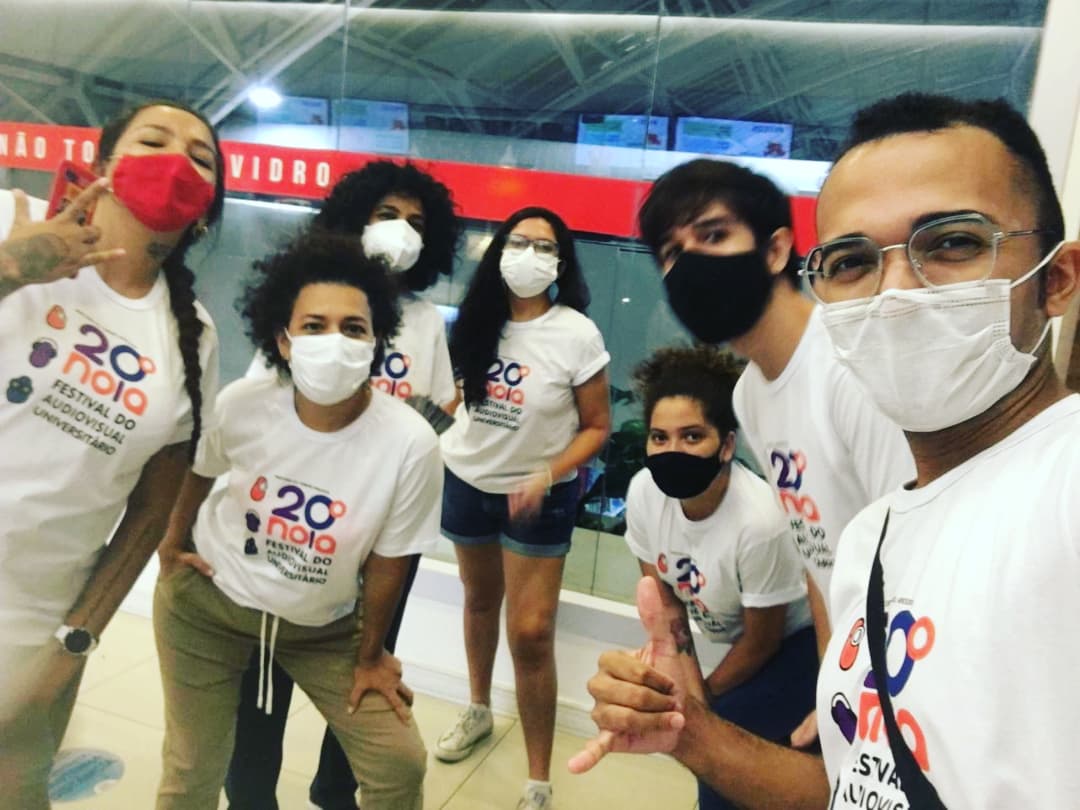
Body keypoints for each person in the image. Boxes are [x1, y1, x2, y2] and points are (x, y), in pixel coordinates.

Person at [570, 92, 1080, 809]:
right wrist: (838, 682)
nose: (895, 293)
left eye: (953, 243)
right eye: (852, 261)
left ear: (1056, 279)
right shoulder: (767, 410)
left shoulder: (1048, 485)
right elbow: (825, 553)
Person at [154, 231, 441, 810]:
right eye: (314, 326)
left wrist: (370, 655)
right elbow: (200, 470)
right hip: (208, 612)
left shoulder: (410, 442)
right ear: (283, 341)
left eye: (353, 328)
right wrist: (171, 543)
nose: (334, 341)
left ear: (375, 342)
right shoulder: (244, 403)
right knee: (193, 768)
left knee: (398, 764)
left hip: (325, 631)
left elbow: (391, 562)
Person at [636, 157, 914, 745]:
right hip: (847, 663)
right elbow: (818, 554)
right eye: (671, 252)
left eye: (714, 235)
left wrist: (873, 698)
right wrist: (833, 680)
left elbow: (915, 562)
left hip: (905, 676)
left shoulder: (850, 368)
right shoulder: (751, 395)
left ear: (776, 249)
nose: (690, 264)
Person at [0, 99, 224, 810]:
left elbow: (150, 513)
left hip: (34, 618)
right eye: (154, 141)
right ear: (103, 167)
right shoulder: (9, 221)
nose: (176, 161)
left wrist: (71, 646)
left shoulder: (193, 337)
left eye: (200, 158)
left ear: (206, 209)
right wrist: (12, 267)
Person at [229, 160, 462, 810]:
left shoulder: (422, 320)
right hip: (293, 522)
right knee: (264, 677)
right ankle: (251, 794)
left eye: (416, 222)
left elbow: (438, 407)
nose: (402, 231)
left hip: (381, 532)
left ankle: (335, 790)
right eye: (387, 215)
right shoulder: (308, 301)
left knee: (366, 667)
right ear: (353, 218)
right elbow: (257, 409)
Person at [436, 206, 611, 809]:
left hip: (540, 496)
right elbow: (456, 400)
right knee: (479, 600)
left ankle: (538, 780)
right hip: (467, 481)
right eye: (518, 242)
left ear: (561, 262)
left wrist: (548, 474)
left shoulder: (576, 334)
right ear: (498, 252)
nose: (529, 255)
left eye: (544, 246)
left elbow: (596, 427)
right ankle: (478, 708)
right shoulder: (473, 322)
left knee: (532, 633)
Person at [626, 344, 816, 810]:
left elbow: (761, 642)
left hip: (800, 645)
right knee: (709, 739)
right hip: (744, 642)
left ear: (727, 445)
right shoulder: (645, 494)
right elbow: (666, 606)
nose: (673, 451)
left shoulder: (760, 522)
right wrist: (688, 694)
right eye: (659, 437)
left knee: (722, 740)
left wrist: (702, 702)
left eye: (692, 436)